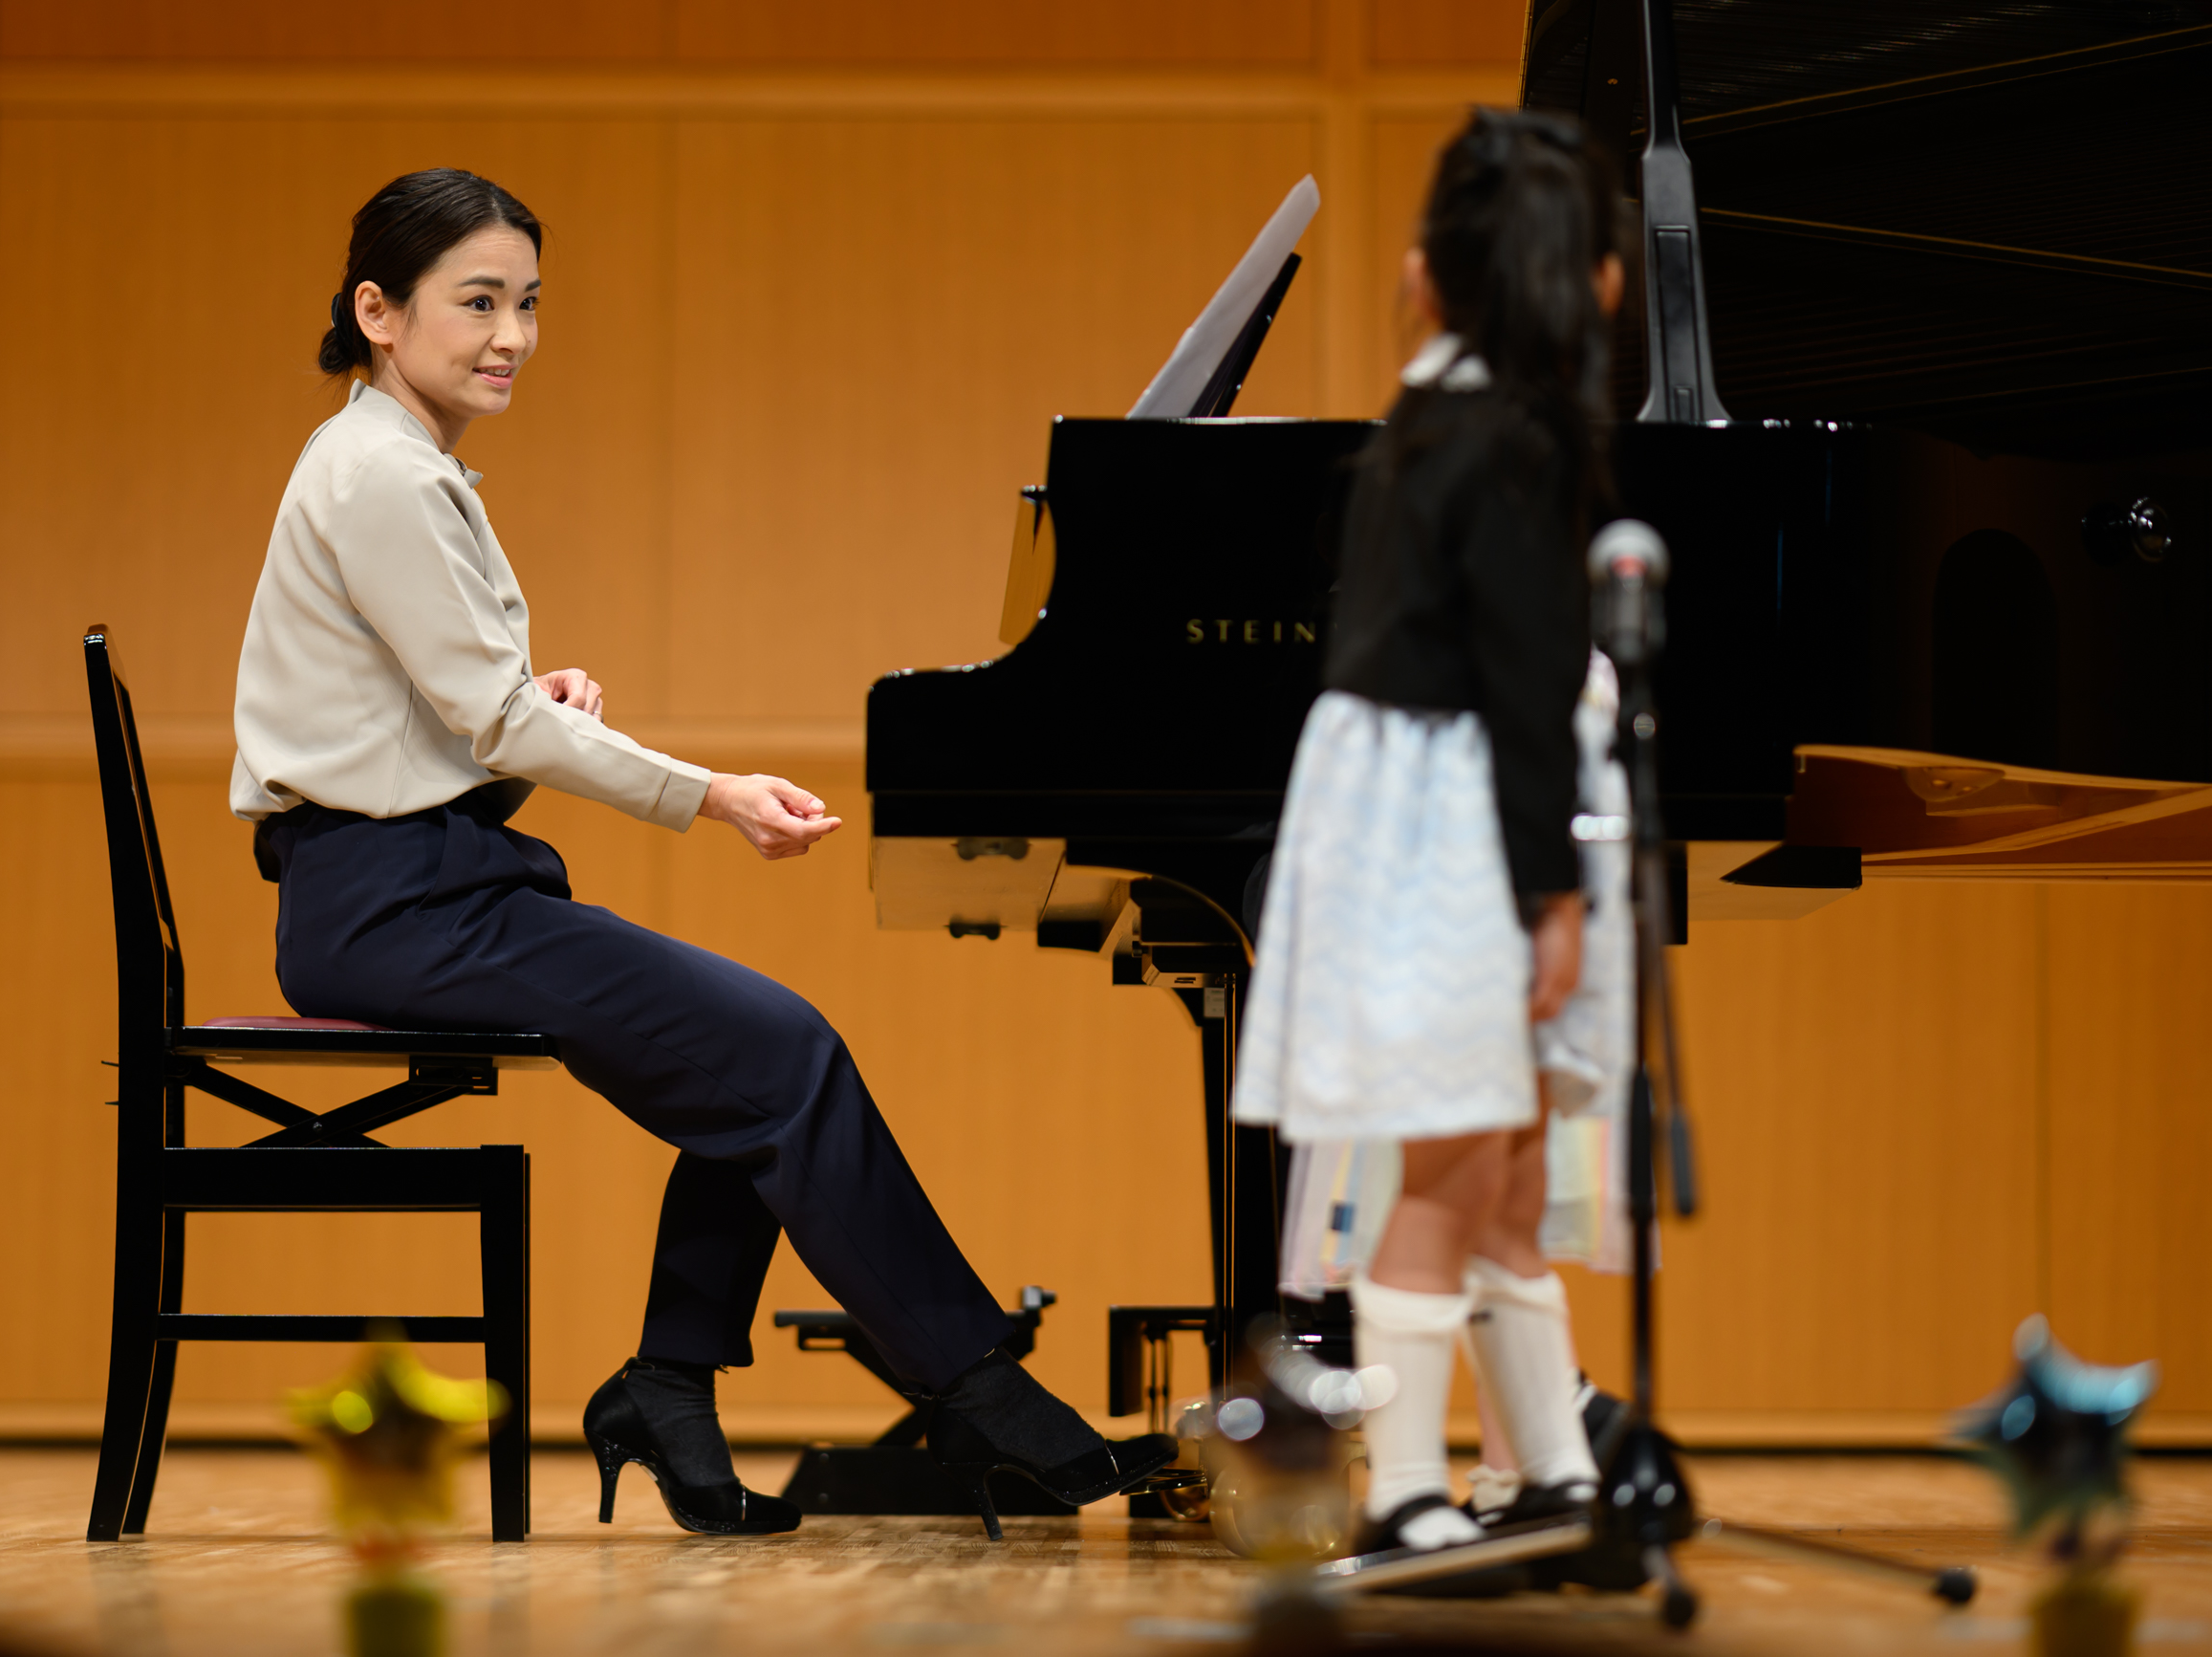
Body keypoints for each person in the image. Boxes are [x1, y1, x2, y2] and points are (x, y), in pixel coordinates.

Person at [229, 167, 1172, 1537]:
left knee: (753, 1063)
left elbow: (453, 712)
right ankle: (984, 1402)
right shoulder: (383, 474)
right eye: (476, 302)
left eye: (529, 304)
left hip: (419, 886)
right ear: (378, 311)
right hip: (397, 908)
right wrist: (711, 792)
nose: (511, 335)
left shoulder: (392, 462)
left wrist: (523, 708)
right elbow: (481, 719)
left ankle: (671, 1388)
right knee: (781, 1054)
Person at [1232, 109, 1627, 1559]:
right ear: (1590, 284)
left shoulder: (1430, 421)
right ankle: (1405, 1490)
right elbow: (1525, 704)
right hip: (1466, 853)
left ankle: (1558, 1480)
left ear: (1426, 278)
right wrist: (1554, 894)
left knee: (1508, 1174)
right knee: (1455, 1179)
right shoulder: (1512, 444)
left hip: (1413, 835)